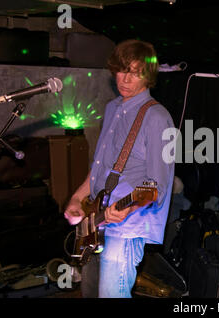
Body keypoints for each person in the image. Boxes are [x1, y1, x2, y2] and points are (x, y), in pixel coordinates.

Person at [63, 39, 175, 298]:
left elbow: (157, 184)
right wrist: (78, 197)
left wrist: (129, 209)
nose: (125, 79)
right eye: (122, 70)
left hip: (127, 228)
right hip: (99, 220)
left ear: (148, 77)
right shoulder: (112, 108)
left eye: (135, 73)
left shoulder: (158, 118)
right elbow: (100, 167)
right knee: (91, 292)